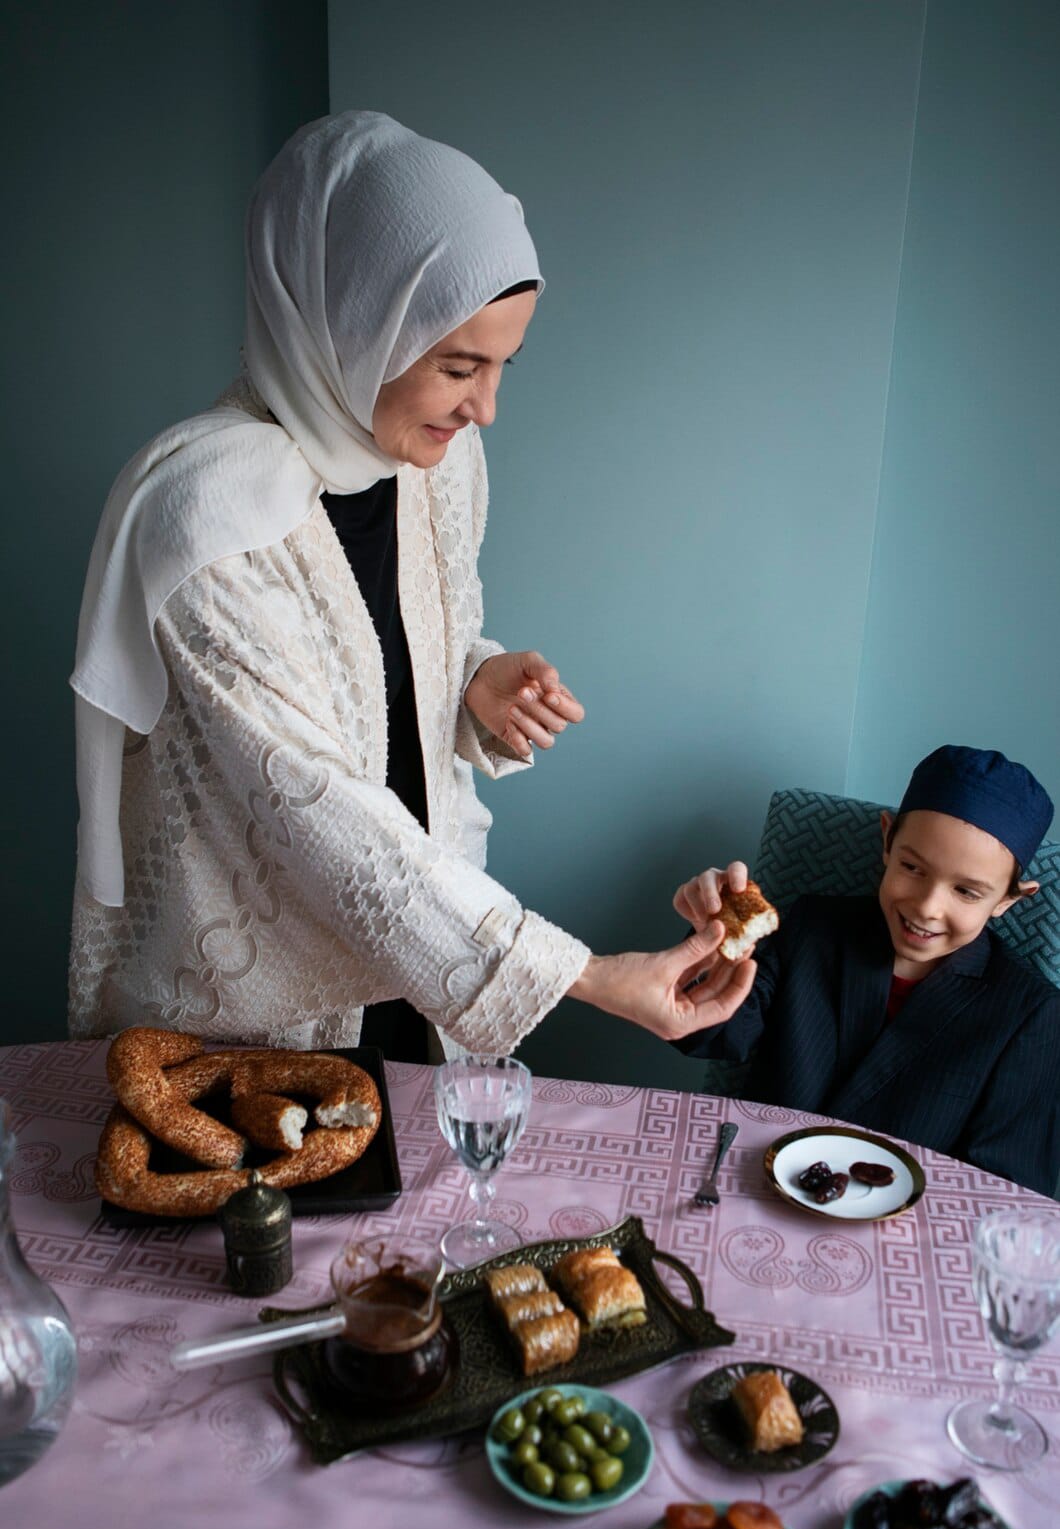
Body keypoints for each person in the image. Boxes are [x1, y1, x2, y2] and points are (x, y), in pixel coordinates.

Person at [68, 110, 754, 1062]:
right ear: (351, 321)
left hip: (425, 971)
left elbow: (387, 649)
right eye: (458, 366)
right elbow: (312, 800)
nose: (486, 408)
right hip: (257, 1017)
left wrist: (472, 682)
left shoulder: (437, 462)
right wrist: (580, 974)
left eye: (505, 364)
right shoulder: (206, 518)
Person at [672, 746, 1059, 1196]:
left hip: (905, 1240)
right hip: (759, 1189)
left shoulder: (1031, 1015)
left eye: (967, 892)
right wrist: (712, 940)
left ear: (1009, 900)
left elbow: (1007, 1192)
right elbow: (706, 1032)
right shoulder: (813, 928)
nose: (927, 908)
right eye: (912, 868)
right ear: (887, 841)